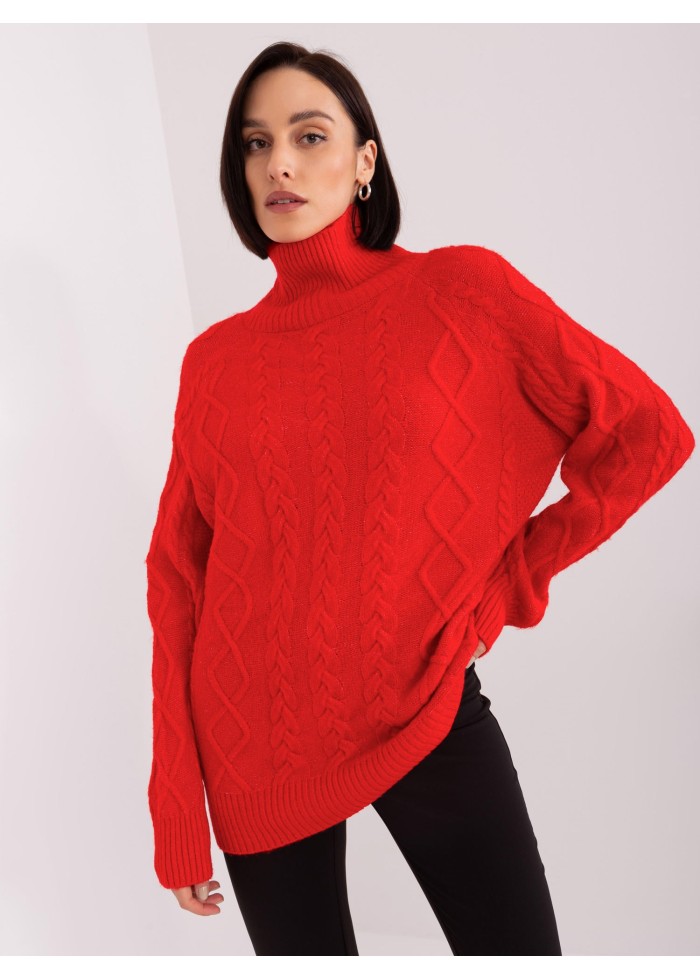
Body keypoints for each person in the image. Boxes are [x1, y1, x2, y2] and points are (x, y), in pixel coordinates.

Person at [144, 41, 695, 955]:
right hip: (254, 739)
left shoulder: (461, 291)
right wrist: (175, 803)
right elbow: (177, 579)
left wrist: (505, 585)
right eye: (255, 143)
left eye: (309, 135)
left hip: (422, 701)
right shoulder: (215, 363)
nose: (279, 164)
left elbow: (648, 435)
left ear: (365, 160)